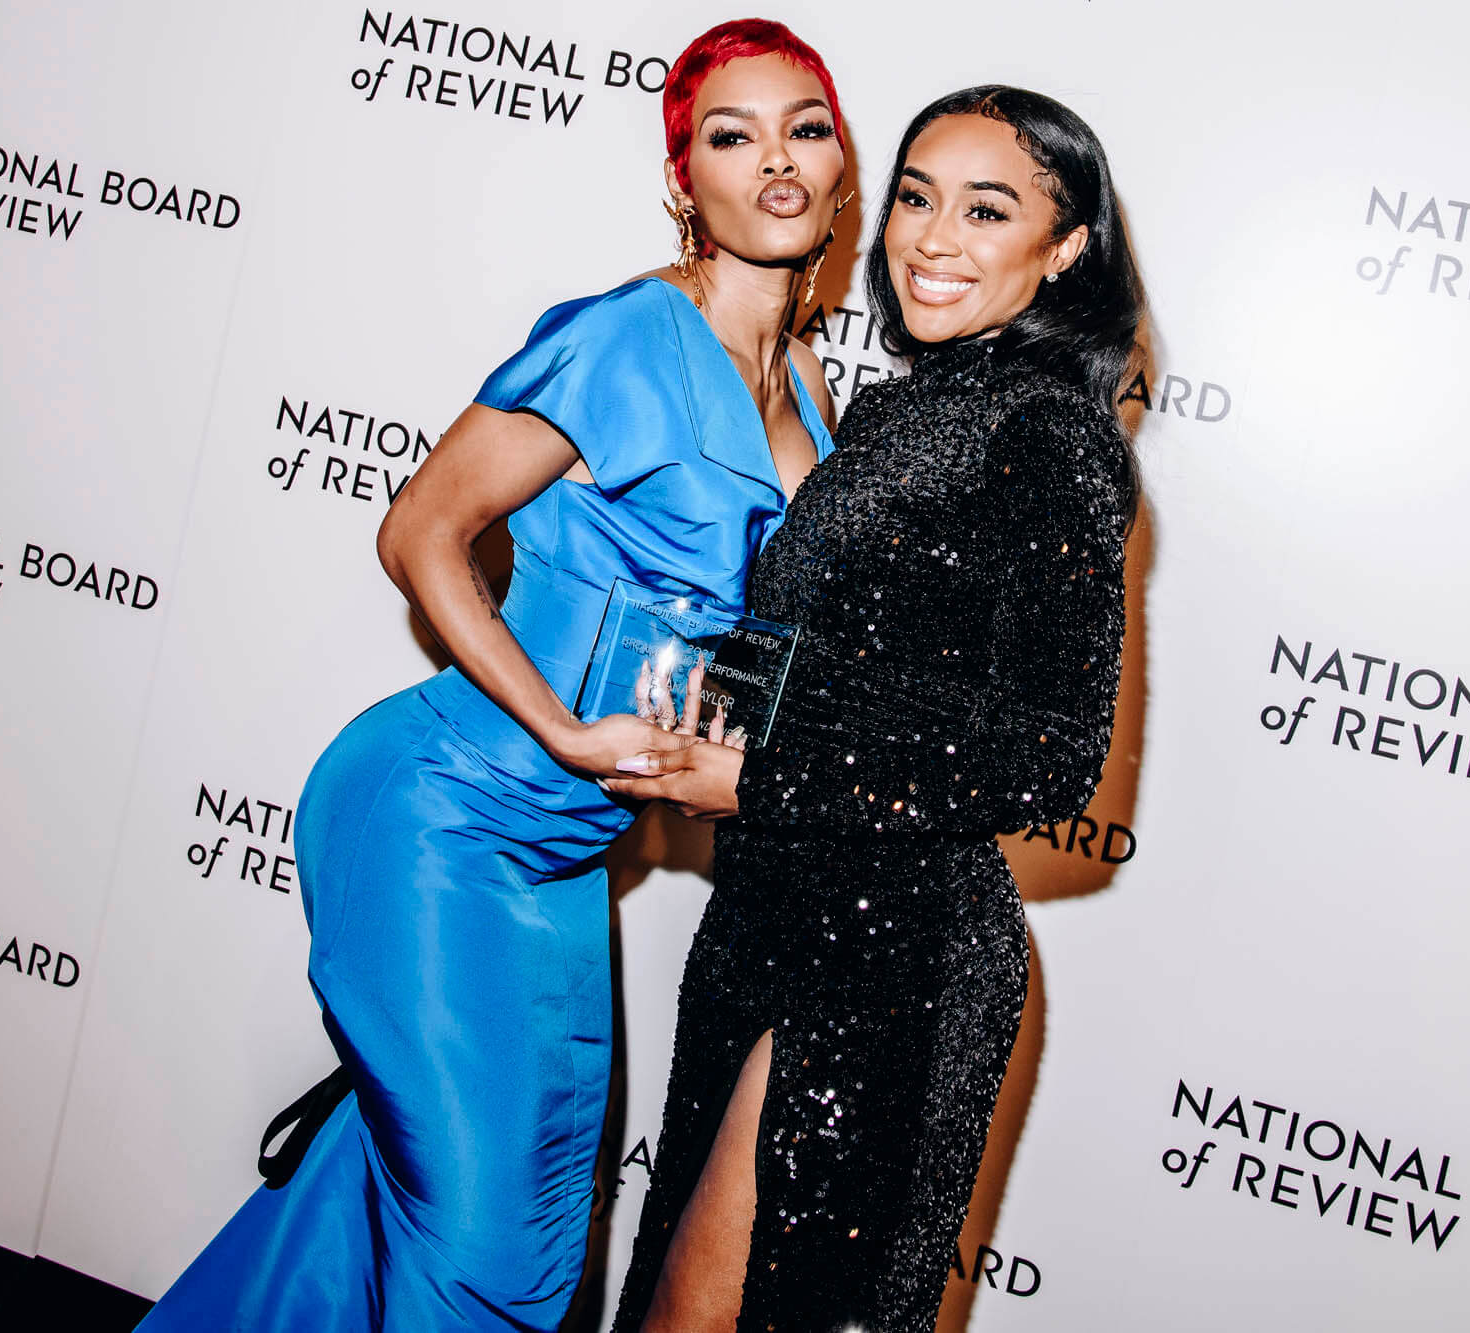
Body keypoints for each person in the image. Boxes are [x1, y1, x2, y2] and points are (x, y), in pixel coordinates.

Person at [136, 20, 847, 1332]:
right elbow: (420, 530)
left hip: (561, 861)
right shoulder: (625, 336)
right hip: (442, 818)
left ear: (840, 161)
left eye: (804, 128)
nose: (775, 161)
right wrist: (566, 731)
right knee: (484, 1259)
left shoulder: (802, 381)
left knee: (434, 1216)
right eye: (731, 135)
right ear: (684, 178)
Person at [604, 86, 1145, 1333]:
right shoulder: (901, 406)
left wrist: (760, 777)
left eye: (985, 210)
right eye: (914, 198)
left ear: (1064, 249)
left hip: (891, 957)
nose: (931, 239)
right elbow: (843, 655)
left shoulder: (1051, 438)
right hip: (765, 916)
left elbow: (1049, 754)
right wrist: (706, 706)